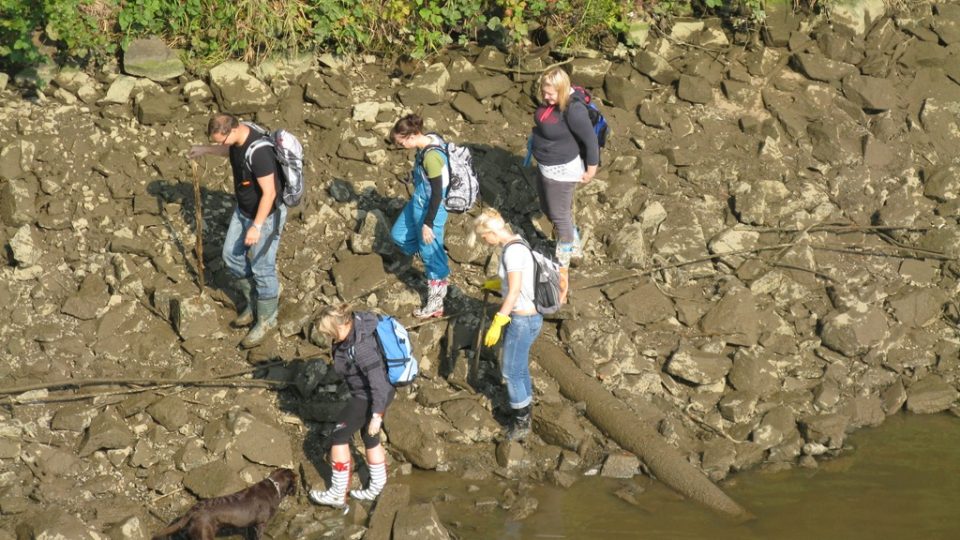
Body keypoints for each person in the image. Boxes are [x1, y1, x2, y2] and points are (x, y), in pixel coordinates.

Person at [189, 114, 287, 349]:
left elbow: (270, 193)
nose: (222, 144)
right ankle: (253, 302)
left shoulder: (260, 153)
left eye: (222, 140)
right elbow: (229, 152)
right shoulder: (235, 140)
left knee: (262, 266)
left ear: (233, 130)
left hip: (266, 216)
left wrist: (256, 226)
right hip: (243, 210)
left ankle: (267, 318)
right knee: (230, 256)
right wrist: (205, 150)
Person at [308, 304, 394, 507]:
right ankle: (379, 488)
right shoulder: (354, 329)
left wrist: (376, 415)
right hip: (372, 393)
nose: (326, 337)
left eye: (326, 332)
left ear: (335, 327)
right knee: (369, 436)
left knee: (339, 436)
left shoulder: (360, 346)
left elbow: (377, 382)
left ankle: (338, 494)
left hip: (369, 396)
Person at [529, 67, 600, 302]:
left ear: (561, 90)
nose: (546, 97)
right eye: (544, 92)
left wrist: (591, 169)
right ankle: (573, 240)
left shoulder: (574, 110)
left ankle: (564, 264)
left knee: (559, 217)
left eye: (550, 94)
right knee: (549, 210)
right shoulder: (551, 103)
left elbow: (590, 141)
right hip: (546, 166)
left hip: (563, 171)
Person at [472, 208, 543, 441]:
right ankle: (525, 409)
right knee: (519, 366)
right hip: (532, 316)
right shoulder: (518, 241)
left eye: (484, 237)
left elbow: (513, 292)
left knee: (510, 370)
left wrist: (499, 320)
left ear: (491, 232)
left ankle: (521, 421)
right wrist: (497, 284)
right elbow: (518, 282)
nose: (486, 242)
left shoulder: (511, 253)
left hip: (522, 319)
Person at [389, 114, 451, 319]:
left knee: (431, 254)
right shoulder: (427, 142)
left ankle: (436, 302)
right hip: (418, 201)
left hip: (431, 208)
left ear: (412, 136)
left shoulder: (432, 157)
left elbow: (438, 193)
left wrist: (428, 224)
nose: (400, 146)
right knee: (398, 234)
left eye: (401, 142)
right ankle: (428, 257)